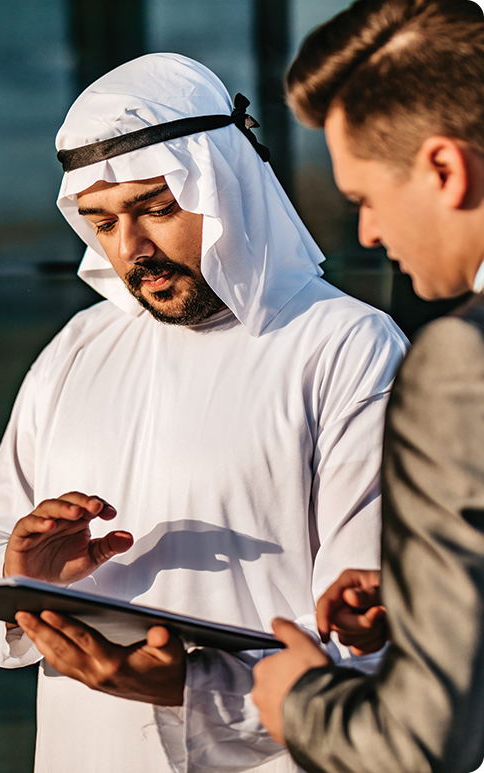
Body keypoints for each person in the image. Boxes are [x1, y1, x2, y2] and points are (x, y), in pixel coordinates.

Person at [0, 53, 406, 773]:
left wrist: (193, 687)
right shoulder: (78, 346)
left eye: (156, 208)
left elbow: (384, 624)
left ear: (225, 187)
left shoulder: (345, 345)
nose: (131, 249)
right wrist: (16, 567)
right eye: (100, 221)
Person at [251, 1, 484, 771]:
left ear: (444, 170)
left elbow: (422, 744)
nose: (367, 235)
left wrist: (303, 703)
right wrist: (425, 592)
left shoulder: (460, 362)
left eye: (362, 199)